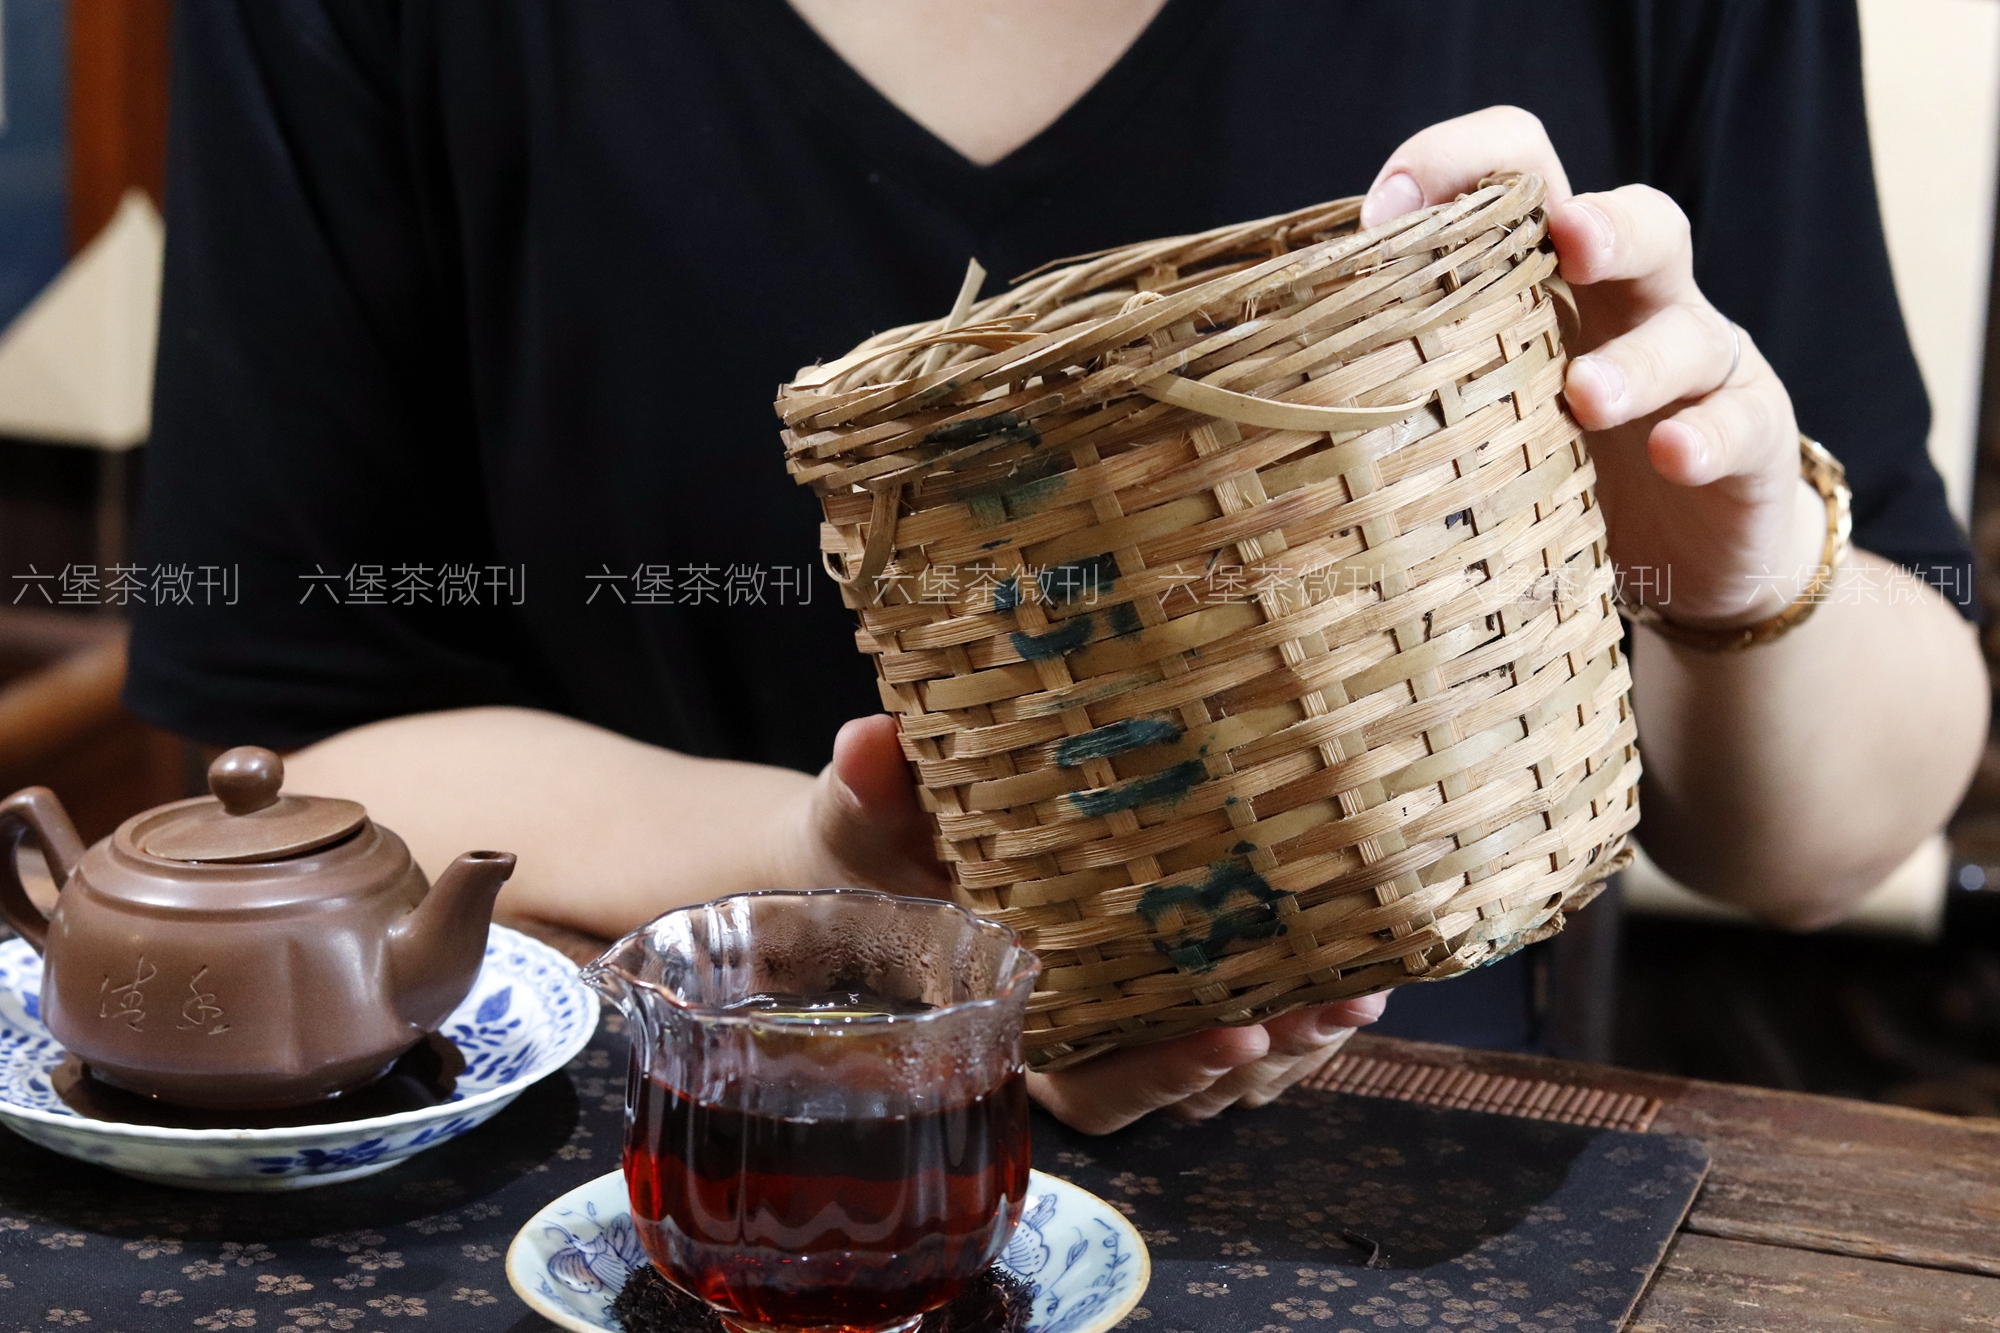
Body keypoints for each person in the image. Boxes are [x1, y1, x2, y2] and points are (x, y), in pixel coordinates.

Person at [127, 0, 1987, 1134]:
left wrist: (1734, 558)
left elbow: (1825, 842)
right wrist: (851, 896)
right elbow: (309, 739)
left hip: (1423, 1157)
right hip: (682, 1153)